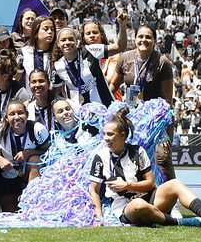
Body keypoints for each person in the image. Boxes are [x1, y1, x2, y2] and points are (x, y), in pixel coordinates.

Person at [89, 107, 201, 228]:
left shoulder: (137, 151)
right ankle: (181, 222)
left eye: (110, 134)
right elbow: (94, 191)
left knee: (175, 183)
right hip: (126, 208)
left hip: (150, 199)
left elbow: (150, 184)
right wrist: (99, 218)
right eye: (105, 134)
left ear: (123, 135)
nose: (106, 138)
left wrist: (126, 186)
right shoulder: (100, 157)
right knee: (138, 205)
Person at [110, 24, 176, 181]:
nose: (144, 40)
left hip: (156, 121)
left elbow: (167, 101)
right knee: (134, 160)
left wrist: (165, 131)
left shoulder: (162, 62)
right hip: (133, 119)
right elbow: (112, 87)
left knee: (162, 160)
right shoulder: (125, 58)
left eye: (148, 37)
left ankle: (171, 199)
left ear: (154, 40)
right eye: (140, 36)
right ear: (135, 38)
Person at [0, 99, 50, 213]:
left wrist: (29, 152)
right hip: (9, 174)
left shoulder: (37, 129)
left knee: (34, 159)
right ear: (6, 117)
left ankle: (34, 205)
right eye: (12, 114)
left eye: (20, 113)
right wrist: (1, 160)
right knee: (10, 212)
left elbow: (48, 150)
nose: (16, 117)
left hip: (29, 172)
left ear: (27, 114)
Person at [51, 25, 123, 109]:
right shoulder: (58, 66)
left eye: (70, 39)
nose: (67, 42)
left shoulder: (91, 51)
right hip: (81, 114)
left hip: (105, 109)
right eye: (63, 40)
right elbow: (55, 94)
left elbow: (119, 47)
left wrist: (122, 25)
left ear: (76, 41)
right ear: (58, 44)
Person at [80, 17, 126, 100]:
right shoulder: (81, 57)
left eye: (95, 32)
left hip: (112, 101)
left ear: (101, 34)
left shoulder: (113, 55)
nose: (92, 36)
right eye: (88, 33)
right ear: (83, 37)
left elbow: (109, 79)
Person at [20, 14, 56, 87]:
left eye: (52, 29)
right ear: (36, 32)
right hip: (31, 96)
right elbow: (16, 78)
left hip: (54, 97)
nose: (50, 32)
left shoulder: (59, 53)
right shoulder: (24, 52)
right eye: (46, 29)